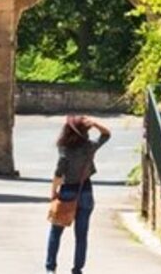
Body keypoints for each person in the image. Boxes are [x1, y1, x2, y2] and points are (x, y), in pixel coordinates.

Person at [46, 114, 111, 274]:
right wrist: (95, 123)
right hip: (86, 190)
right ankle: (77, 269)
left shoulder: (64, 148)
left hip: (67, 191)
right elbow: (106, 134)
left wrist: (53, 192)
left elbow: (59, 173)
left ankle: (50, 268)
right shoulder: (89, 146)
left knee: (56, 232)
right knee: (81, 235)